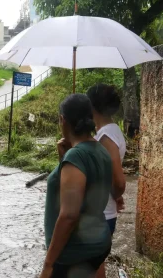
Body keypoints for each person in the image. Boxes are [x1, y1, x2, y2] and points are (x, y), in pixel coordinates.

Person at [40, 94, 113, 278]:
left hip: (73, 254)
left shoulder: (76, 156)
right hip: (98, 244)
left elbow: (69, 215)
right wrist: (64, 158)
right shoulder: (101, 150)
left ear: (63, 120)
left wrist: (48, 264)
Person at [87, 84, 126, 278]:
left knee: (91, 266)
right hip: (103, 213)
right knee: (95, 264)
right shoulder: (110, 131)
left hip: (101, 214)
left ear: (92, 107)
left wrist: (116, 194)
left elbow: (118, 181)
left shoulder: (106, 137)